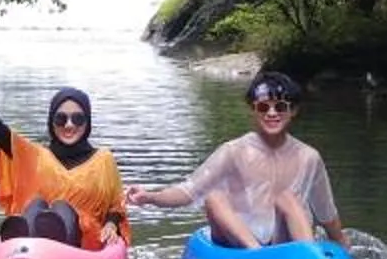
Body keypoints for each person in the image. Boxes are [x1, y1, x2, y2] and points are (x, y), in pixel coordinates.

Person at [128, 70, 343, 248]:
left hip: (284, 242)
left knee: (287, 198)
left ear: (293, 110)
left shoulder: (309, 157)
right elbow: (189, 192)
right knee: (213, 197)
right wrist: (149, 197)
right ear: (253, 110)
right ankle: (257, 255)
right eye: (263, 107)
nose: (271, 113)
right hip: (242, 241)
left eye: (280, 107)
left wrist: (342, 246)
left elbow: (327, 213)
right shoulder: (234, 151)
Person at [0, 66, 125, 248]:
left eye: (77, 119)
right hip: (37, 243)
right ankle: (22, 243)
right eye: (61, 119)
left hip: (84, 243)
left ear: (87, 122)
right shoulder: (36, 156)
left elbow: (116, 207)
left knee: (61, 208)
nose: (69, 125)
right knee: (36, 205)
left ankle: (43, 238)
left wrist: (111, 224)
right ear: (51, 122)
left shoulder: (103, 159)